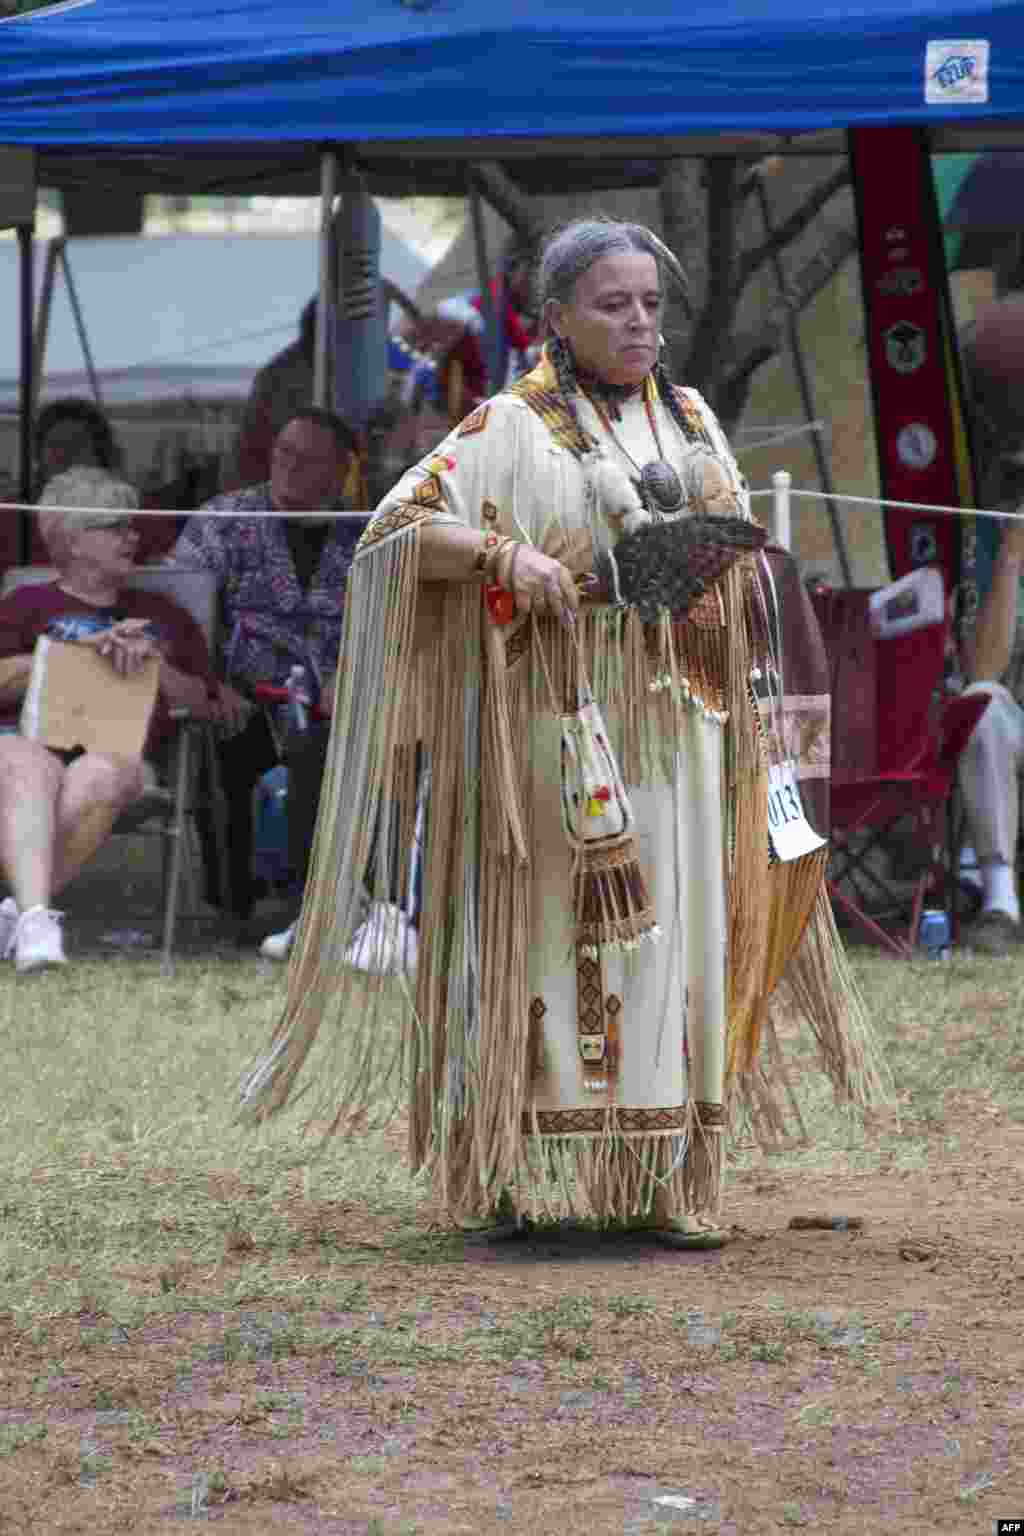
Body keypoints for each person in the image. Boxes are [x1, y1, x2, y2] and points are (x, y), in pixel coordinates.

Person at [241, 219, 885, 1242]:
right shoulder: (508, 424)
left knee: (676, 939)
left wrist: (732, 579)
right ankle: (493, 1163)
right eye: (612, 303)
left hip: (684, 723)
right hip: (555, 729)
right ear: (556, 318)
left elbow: (739, 548)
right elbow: (394, 531)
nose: (638, 322)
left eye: (650, 304)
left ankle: (670, 1174)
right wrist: (506, 559)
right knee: (539, 944)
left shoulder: (690, 418)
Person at [0, 467, 217, 973]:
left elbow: (204, 705)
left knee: (98, 771)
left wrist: (153, 666)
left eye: (132, 526)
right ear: (72, 540)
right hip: (25, 748)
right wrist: (63, 656)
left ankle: (23, 912)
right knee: (28, 762)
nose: (133, 536)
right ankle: (33, 918)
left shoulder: (162, 615)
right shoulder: (25, 606)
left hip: (123, 758)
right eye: (115, 526)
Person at [170, 409, 364, 940]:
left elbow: (390, 623)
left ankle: (318, 906)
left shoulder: (366, 533)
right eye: (283, 452)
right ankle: (237, 908)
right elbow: (178, 617)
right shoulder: (222, 520)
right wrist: (212, 685)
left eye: (308, 458)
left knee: (338, 754)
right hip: (242, 693)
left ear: (340, 470)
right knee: (226, 747)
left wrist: (351, 680)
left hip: (334, 700)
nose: (289, 465)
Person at [957, 505, 1024, 952]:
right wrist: (1012, 553)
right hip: (1016, 719)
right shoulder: (987, 545)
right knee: (981, 704)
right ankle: (1000, 901)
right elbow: (983, 669)